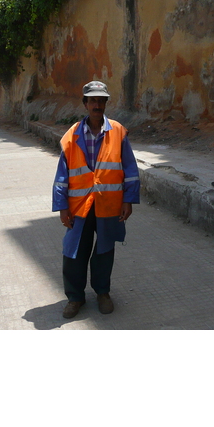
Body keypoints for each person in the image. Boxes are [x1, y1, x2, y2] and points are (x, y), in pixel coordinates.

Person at [52, 80, 140, 319]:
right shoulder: (71, 136)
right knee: (74, 251)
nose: (97, 105)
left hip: (108, 204)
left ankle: (102, 292)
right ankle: (75, 297)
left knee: (104, 249)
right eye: (92, 100)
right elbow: (61, 176)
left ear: (105, 104)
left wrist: (128, 200)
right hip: (79, 206)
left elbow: (130, 169)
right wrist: (61, 207)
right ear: (85, 104)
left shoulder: (118, 132)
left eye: (101, 101)